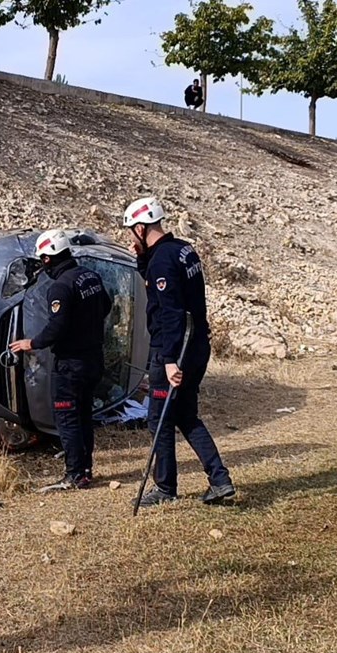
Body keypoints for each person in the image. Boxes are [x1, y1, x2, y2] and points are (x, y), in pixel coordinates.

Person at [122, 197, 237, 508]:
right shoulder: (182, 250)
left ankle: (165, 488)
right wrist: (141, 259)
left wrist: (170, 361)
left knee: (158, 418)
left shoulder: (162, 261)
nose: (131, 239)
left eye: (132, 233)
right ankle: (219, 479)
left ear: (141, 227)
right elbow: (164, 287)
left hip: (173, 350)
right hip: (198, 344)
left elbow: (171, 312)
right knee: (186, 415)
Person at [10, 229, 112, 491]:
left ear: (47, 259)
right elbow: (107, 306)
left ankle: (75, 474)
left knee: (67, 417)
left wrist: (30, 343)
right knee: (83, 415)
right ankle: (85, 469)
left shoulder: (60, 287)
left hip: (70, 365)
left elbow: (56, 328)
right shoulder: (90, 277)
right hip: (93, 360)